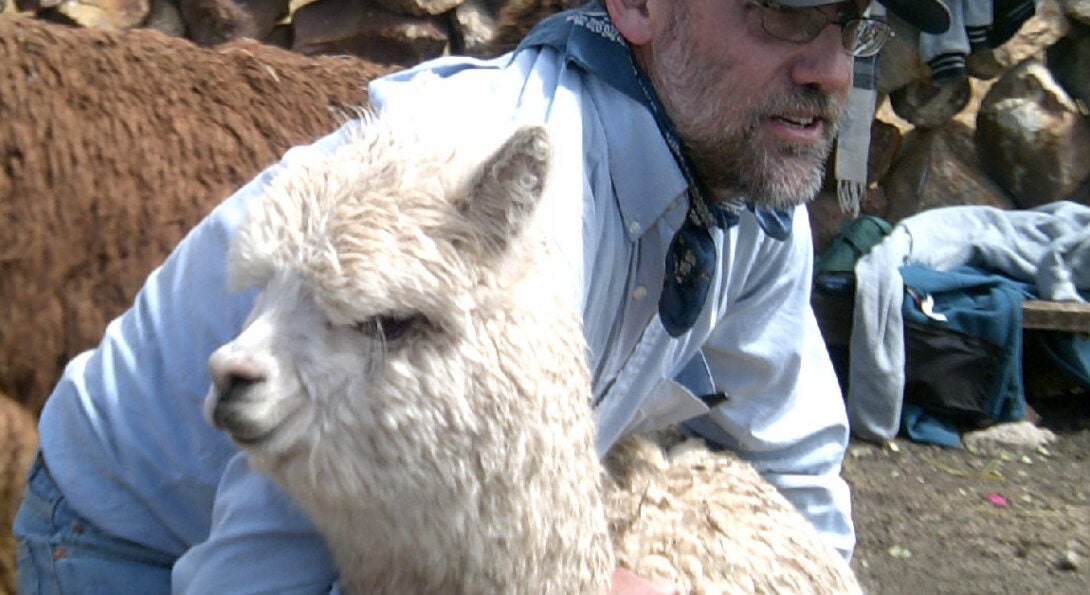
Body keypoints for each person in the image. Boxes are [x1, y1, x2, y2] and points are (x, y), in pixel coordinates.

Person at [14, 0, 951, 593]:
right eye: (785, 13)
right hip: (124, 534)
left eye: (850, 24)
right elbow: (255, 565)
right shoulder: (479, 183)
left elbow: (795, 470)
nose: (830, 68)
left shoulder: (753, 185)